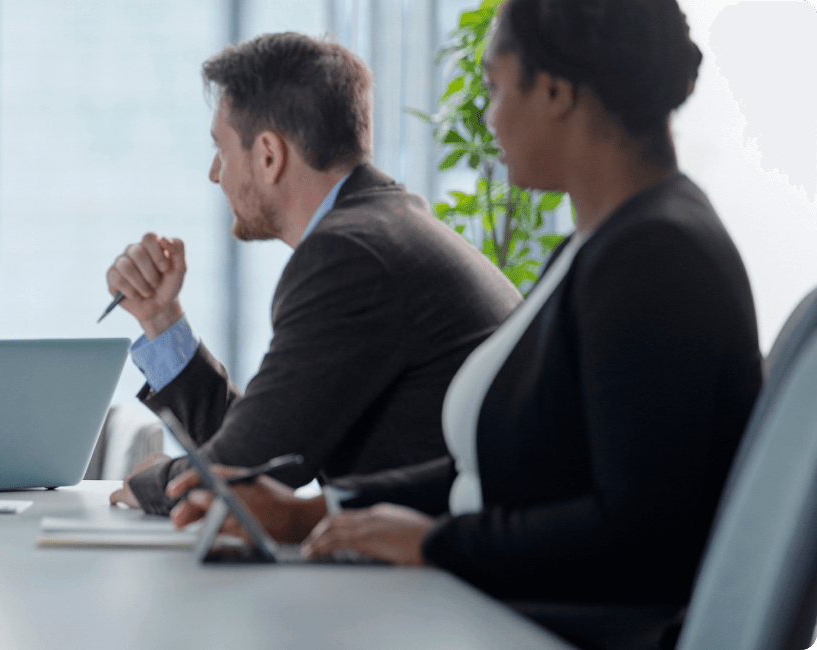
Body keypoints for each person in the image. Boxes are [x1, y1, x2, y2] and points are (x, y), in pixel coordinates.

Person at [175, 0, 758, 612]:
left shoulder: (654, 257)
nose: (489, 115)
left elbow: (639, 536)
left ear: (556, 92)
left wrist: (435, 544)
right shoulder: (607, 242)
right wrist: (319, 512)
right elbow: (518, 473)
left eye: (496, 87)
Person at [105, 32, 521, 526]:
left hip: (445, 586)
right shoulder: (383, 226)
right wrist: (160, 318)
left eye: (221, 149)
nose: (215, 173)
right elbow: (272, 446)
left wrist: (148, 479)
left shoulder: (349, 254)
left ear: (268, 155)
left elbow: (235, 476)